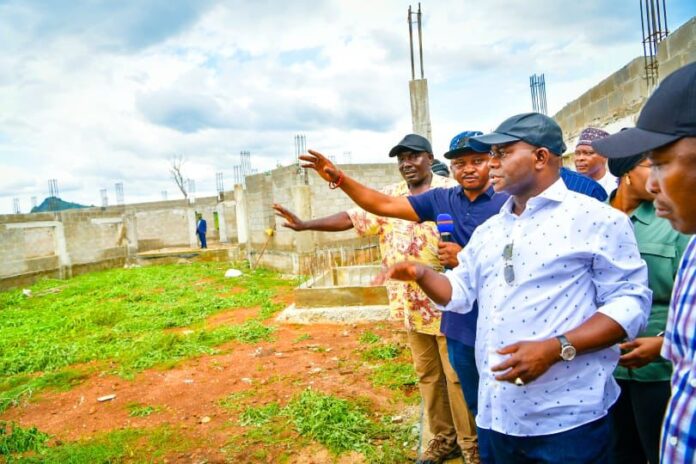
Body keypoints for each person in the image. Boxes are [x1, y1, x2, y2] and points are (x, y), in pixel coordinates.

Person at [360, 113, 651, 463]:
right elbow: (459, 293)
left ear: (541, 157)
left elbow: (630, 305)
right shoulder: (491, 231)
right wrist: (423, 275)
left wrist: (556, 348)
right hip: (498, 415)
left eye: (501, 153)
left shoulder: (598, 220)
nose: (491, 164)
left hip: (568, 419)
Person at [275, 134, 476, 464]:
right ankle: (443, 439)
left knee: (456, 377)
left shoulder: (450, 192)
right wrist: (306, 225)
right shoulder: (390, 198)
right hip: (410, 308)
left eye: (413, 156)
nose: (406, 163)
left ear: (429, 157)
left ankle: (472, 446)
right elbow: (352, 218)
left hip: (448, 306)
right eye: (401, 159)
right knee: (428, 376)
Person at [592, 61, 696, 464]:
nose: (654, 184)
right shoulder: (693, 255)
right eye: (647, 165)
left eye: (662, 163)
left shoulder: (678, 236)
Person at [604, 152, 691, 464]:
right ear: (626, 172)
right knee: (617, 451)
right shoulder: (593, 220)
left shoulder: (673, 220)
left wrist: (664, 342)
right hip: (603, 366)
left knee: (656, 450)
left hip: (658, 368)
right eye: (651, 167)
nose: (657, 180)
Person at [574, 127, 617, 195]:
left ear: (605, 155)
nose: (580, 158)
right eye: (577, 153)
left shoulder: (616, 186)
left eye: (588, 153)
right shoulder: (570, 184)